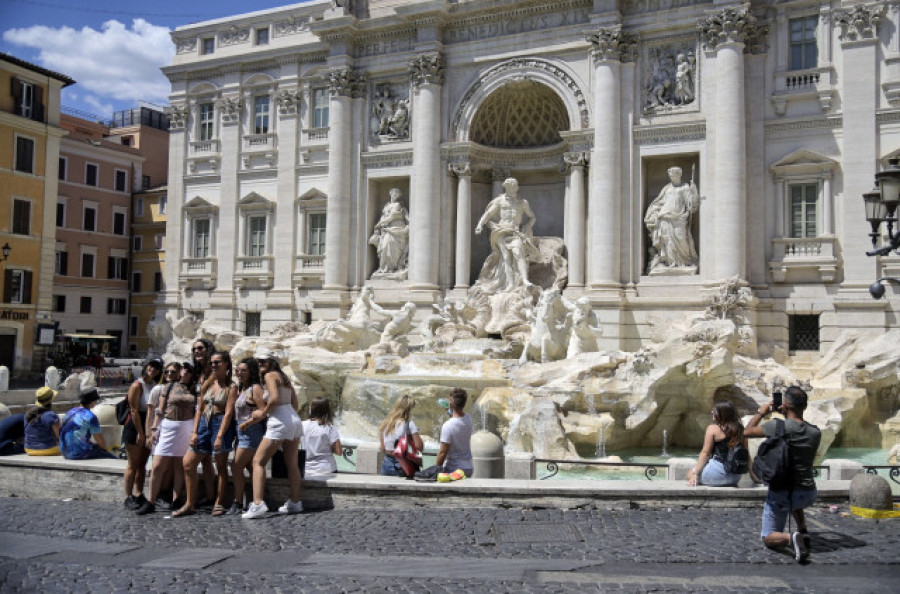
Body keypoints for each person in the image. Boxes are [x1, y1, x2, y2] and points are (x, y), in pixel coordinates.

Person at [745, 386, 822, 563]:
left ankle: (792, 537)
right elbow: (795, 429)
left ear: (785, 404)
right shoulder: (815, 432)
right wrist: (786, 412)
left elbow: (746, 432)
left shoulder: (778, 426)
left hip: (782, 493)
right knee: (796, 501)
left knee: (768, 537)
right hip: (808, 492)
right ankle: (803, 529)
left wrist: (761, 413)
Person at [243, 349, 304, 519]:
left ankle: (257, 503)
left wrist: (263, 414)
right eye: (259, 361)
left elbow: (275, 398)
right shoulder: (285, 377)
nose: (260, 363)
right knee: (292, 464)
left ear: (271, 362)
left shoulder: (270, 376)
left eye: (263, 361)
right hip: (293, 419)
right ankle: (295, 501)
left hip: (279, 421)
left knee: (258, 461)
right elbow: (295, 403)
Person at [175, 351, 237, 518]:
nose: (214, 365)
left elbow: (229, 413)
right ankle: (190, 503)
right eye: (212, 362)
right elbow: (199, 409)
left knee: (221, 465)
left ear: (226, 364)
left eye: (218, 362)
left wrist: (220, 436)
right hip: (203, 423)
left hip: (220, 423)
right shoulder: (207, 384)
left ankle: (218, 502)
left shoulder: (232, 387)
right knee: (188, 463)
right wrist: (194, 431)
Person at [136, 362, 197, 515]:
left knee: (179, 465)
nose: (185, 373)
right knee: (157, 465)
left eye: (188, 371)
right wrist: (153, 429)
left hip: (186, 427)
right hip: (168, 426)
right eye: (183, 370)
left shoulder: (195, 388)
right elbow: (160, 410)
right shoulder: (168, 387)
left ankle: (176, 500)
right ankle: (151, 501)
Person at [475, 177, 540, 292]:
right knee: (506, 257)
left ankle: (525, 280)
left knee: (518, 253)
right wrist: (480, 224)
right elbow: (488, 214)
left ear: (517, 188)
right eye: (510, 187)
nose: (512, 189)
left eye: (514, 187)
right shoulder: (500, 201)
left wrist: (528, 225)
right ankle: (510, 284)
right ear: (506, 188)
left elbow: (532, 217)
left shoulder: (523, 203)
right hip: (501, 230)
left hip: (515, 231)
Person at [122, 358, 163, 510]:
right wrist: (141, 433)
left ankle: (139, 493)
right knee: (132, 464)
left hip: (148, 424)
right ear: (146, 367)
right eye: (151, 366)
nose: (153, 369)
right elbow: (133, 410)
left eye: (157, 367)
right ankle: (127, 496)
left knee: (142, 464)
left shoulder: (155, 386)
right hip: (135, 426)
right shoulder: (136, 385)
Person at [644, 166, 699, 273]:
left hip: (679, 218)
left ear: (679, 175)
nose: (671, 177)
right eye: (670, 175)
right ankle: (671, 263)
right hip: (664, 217)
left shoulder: (685, 187)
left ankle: (685, 261)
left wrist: (694, 192)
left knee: (681, 238)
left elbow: (691, 206)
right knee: (667, 241)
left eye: (673, 175)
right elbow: (659, 202)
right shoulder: (667, 188)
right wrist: (655, 211)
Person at [229, 358, 267, 515]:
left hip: (251, 432)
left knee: (236, 466)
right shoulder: (242, 388)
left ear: (251, 371)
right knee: (249, 467)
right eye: (238, 370)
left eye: (243, 370)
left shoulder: (255, 388)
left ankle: (238, 502)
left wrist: (248, 423)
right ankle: (254, 500)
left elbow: (263, 411)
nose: (239, 373)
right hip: (242, 432)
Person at [687, 401, 746, 487]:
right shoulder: (741, 430)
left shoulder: (713, 428)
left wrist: (695, 473)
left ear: (722, 414)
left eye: (715, 410)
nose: (712, 412)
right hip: (735, 477)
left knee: (690, 472)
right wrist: (754, 477)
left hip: (714, 475)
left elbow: (705, 453)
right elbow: (746, 454)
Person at [59, 389, 116, 460]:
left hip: (65, 452)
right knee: (111, 457)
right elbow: (100, 440)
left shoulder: (69, 412)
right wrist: (106, 451)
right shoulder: (90, 416)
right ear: (92, 403)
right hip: (79, 453)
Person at [378, 394, 424, 476]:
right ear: (409, 409)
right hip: (403, 465)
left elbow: (383, 447)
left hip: (386, 464)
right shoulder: (409, 424)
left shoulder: (385, 423)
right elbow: (419, 447)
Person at [369, 188, 409, 275]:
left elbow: (391, 217)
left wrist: (379, 224)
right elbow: (384, 216)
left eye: (397, 194)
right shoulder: (386, 206)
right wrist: (381, 224)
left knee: (390, 246)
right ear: (390, 194)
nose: (395, 195)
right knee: (384, 247)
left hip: (397, 228)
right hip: (387, 229)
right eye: (394, 194)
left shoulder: (397, 205)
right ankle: (384, 268)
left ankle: (391, 268)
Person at [435, 388, 474, 478]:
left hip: (453, 469)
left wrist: (435, 469)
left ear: (451, 404)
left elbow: (442, 452)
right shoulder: (469, 418)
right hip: (468, 468)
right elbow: (457, 419)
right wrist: (449, 410)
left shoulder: (448, 426)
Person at [302, 397, 342, 476]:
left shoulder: (302, 425)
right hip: (327, 468)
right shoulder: (330, 428)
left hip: (307, 468)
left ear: (312, 409)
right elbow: (339, 452)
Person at [24, 387, 61, 456]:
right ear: (51, 400)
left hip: (28, 449)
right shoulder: (51, 415)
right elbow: (59, 435)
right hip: (48, 449)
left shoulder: (28, 414)